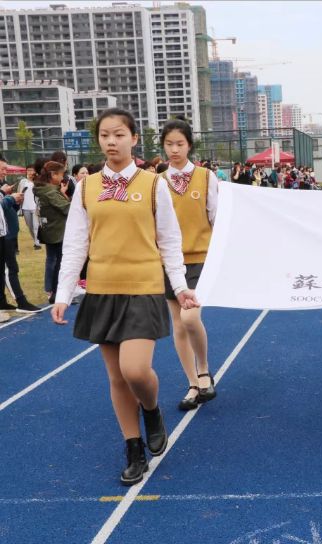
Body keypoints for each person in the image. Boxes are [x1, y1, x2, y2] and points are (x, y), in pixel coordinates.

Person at [51, 108, 199, 486]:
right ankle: (133, 448)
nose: (111, 142)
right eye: (104, 135)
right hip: (102, 289)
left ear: (134, 139)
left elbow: (169, 241)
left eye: (118, 135)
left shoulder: (153, 184)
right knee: (117, 378)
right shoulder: (86, 187)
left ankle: (151, 409)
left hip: (144, 287)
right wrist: (63, 293)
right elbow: (76, 244)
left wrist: (180, 286)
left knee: (135, 370)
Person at [160, 117, 218, 411]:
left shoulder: (207, 177)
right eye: (169, 144)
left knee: (190, 318)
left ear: (189, 145)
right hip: (169, 262)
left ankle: (204, 369)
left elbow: (216, 218)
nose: (174, 149)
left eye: (179, 144)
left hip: (200, 259)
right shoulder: (157, 181)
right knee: (178, 326)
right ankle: (193, 383)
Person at [1, 163, 43, 313]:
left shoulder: (4, 185)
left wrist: (16, 201)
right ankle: (21, 301)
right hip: (4, 233)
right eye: (2, 169)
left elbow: (7, 208)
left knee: (5, 267)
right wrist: (9, 198)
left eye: (6, 169)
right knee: (10, 268)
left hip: (8, 232)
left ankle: (1, 301)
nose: (5, 172)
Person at [33, 161, 71, 304]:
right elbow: (67, 209)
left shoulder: (42, 189)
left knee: (53, 260)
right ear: (53, 175)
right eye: (61, 174)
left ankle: (52, 290)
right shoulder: (50, 192)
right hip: (57, 231)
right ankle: (55, 291)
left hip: (49, 228)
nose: (62, 178)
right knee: (59, 262)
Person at [18, 164, 41, 249]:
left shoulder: (37, 181)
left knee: (36, 226)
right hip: (25, 207)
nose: (30, 172)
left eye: (32, 170)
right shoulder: (23, 182)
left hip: (35, 207)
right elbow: (19, 192)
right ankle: (35, 239)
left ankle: (37, 243)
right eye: (29, 170)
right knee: (30, 226)